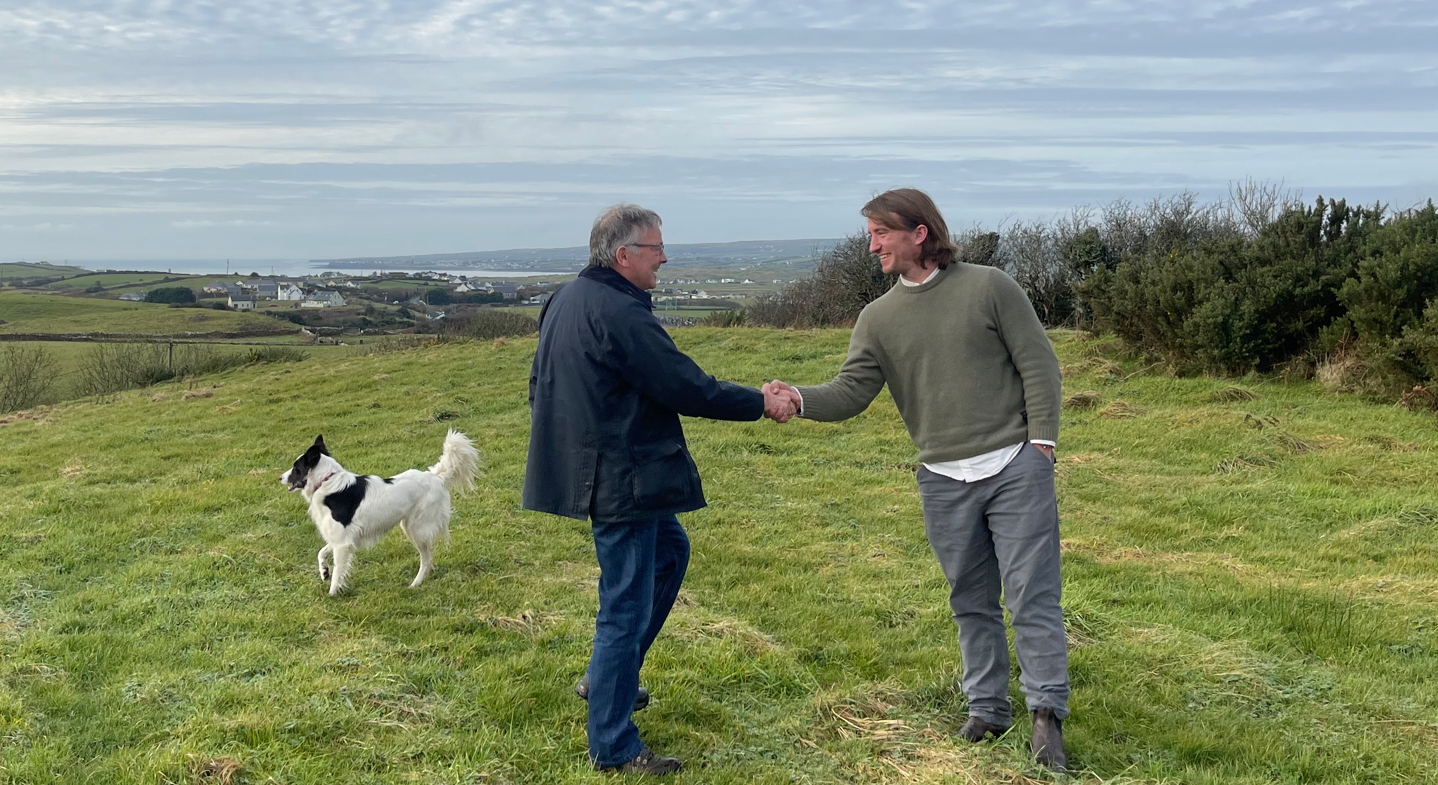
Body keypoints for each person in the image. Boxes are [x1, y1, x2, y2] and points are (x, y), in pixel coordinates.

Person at [764, 188, 1069, 771]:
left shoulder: (990, 287)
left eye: (881, 233)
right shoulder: (878, 318)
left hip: (1014, 466)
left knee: (1032, 596)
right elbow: (852, 391)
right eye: (871, 234)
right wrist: (797, 399)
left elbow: (1038, 363)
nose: (872, 244)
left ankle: (1046, 717)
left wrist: (1042, 446)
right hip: (941, 478)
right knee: (969, 599)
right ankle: (987, 708)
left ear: (919, 233)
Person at [523, 204, 796, 775]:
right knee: (623, 606)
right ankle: (614, 745)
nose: (664, 258)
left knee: (671, 554)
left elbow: (537, 384)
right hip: (624, 477)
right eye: (655, 249)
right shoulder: (621, 312)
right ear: (623, 256)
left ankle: (606, 681)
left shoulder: (567, 298)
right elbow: (684, 385)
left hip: (603, 469)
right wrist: (761, 402)